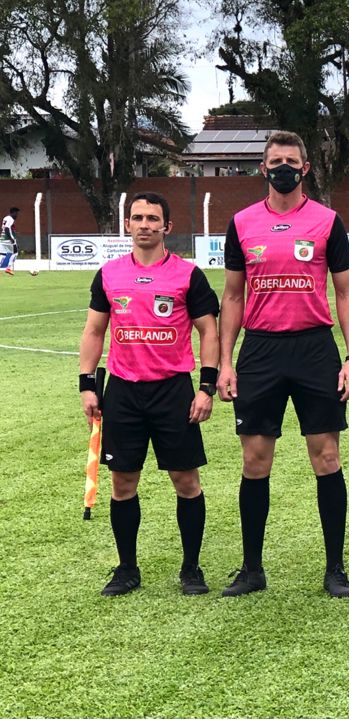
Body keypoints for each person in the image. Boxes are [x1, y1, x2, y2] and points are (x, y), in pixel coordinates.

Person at [217, 131, 349, 598]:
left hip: (314, 349)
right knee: (255, 460)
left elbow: (345, 292)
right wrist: (225, 362)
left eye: (292, 161)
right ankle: (251, 569)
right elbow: (233, 296)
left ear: (306, 168)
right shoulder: (241, 223)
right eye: (276, 161)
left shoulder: (328, 221)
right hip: (260, 351)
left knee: (327, 456)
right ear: (263, 168)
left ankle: (335, 569)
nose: (284, 168)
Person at [78, 192, 219, 596]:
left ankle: (191, 568)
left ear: (166, 227)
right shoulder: (109, 274)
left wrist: (206, 387)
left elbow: (208, 331)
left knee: (185, 480)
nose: (144, 225)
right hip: (123, 392)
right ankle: (127, 569)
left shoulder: (188, 275)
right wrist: (87, 384)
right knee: (123, 482)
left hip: (173, 391)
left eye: (153, 219)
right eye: (137, 217)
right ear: (127, 224)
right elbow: (94, 330)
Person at [1, 206, 19, 275]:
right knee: (15, 253)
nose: (17, 215)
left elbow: (5, 228)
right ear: (13, 212)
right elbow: (7, 228)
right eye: (16, 213)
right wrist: (11, 239)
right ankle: (8, 268)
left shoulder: (5, 218)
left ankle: (7, 268)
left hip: (2, 238)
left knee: (2, 254)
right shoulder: (10, 219)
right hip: (8, 239)